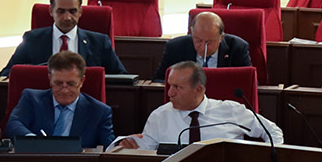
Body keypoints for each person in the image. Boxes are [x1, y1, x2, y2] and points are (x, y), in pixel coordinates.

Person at [114, 61, 283, 150]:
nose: (170, 93)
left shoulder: (231, 111)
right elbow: (143, 149)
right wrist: (123, 145)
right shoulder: (160, 116)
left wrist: (265, 161)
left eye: (177, 87)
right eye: (170, 86)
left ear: (199, 89)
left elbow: (272, 131)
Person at [1, 0, 128, 77]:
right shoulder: (32, 40)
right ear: (51, 11)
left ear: (80, 12)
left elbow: (123, 78)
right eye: (61, 11)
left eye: (72, 11)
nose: (67, 17)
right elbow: (6, 75)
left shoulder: (99, 42)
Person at [6, 50, 115, 148]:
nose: (64, 90)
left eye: (70, 84)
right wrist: (33, 141)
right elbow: (14, 124)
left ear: (81, 81)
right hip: (37, 160)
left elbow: (109, 147)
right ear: (50, 79)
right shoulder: (31, 99)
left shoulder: (99, 112)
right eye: (58, 83)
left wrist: (121, 146)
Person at [156, 11, 253, 79]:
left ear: (221, 38)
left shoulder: (237, 48)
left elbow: (249, 84)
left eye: (209, 42)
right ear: (192, 33)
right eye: (198, 40)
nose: (203, 47)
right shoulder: (175, 47)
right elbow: (159, 81)